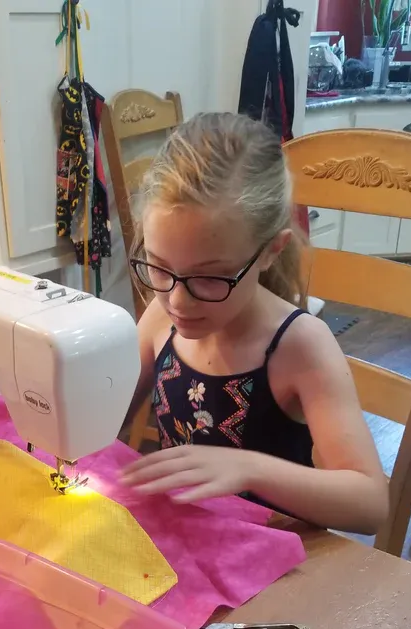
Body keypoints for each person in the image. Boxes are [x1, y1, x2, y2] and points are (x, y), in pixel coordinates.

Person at [120, 112, 389, 535]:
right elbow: (107, 411)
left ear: (270, 251)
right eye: (158, 267)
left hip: (275, 567)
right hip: (185, 549)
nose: (177, 300)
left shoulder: (299, 346)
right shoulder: (159, 319)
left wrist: (249, 469)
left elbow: (370, 504)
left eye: (210, 277)